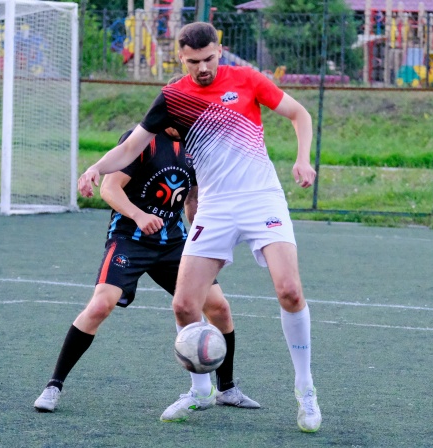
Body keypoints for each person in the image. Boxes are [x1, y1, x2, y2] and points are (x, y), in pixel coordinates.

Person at [77, 22, 322, 433]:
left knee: (290, 291)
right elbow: (132, 146)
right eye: (193, 61)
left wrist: (303, 158)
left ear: (219, 50)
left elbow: (299, 114)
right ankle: (201, 391)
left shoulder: (247, 79)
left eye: (209, 58)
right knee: (184, 305)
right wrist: (95, 168)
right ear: (180, 58)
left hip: (261, 198)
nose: (203, 67)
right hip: (215, 206)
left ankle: (305, 389)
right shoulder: (172, 97)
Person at [34, 123, 260, 421]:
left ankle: (226, 389)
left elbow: (191, 198)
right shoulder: (143, 140)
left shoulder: (195, 145)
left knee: (219, 307)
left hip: (173, 243)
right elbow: (110, 188)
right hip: (130, 239)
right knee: (101, 304)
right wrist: (139, 215)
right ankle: (54, 385)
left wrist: (202, 235)